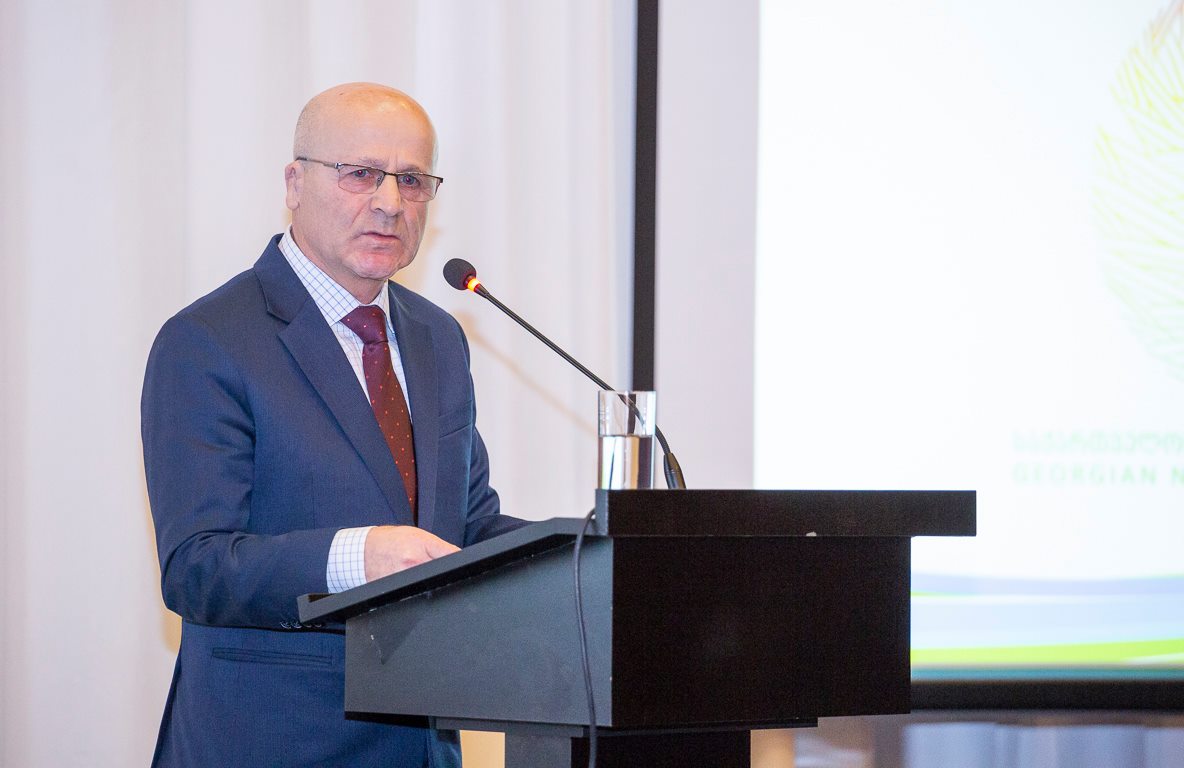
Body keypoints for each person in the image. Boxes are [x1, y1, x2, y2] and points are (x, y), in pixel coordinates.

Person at [141, 82, 525, 767]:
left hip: (423, 744)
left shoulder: (438, 337)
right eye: (361, 173)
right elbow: (196, 567)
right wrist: (356, 558)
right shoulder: (208, 339)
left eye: (412, 180)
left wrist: (596, 553)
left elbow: (464, 529)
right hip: (272, 743)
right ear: (294, 183)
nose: (389, 202)